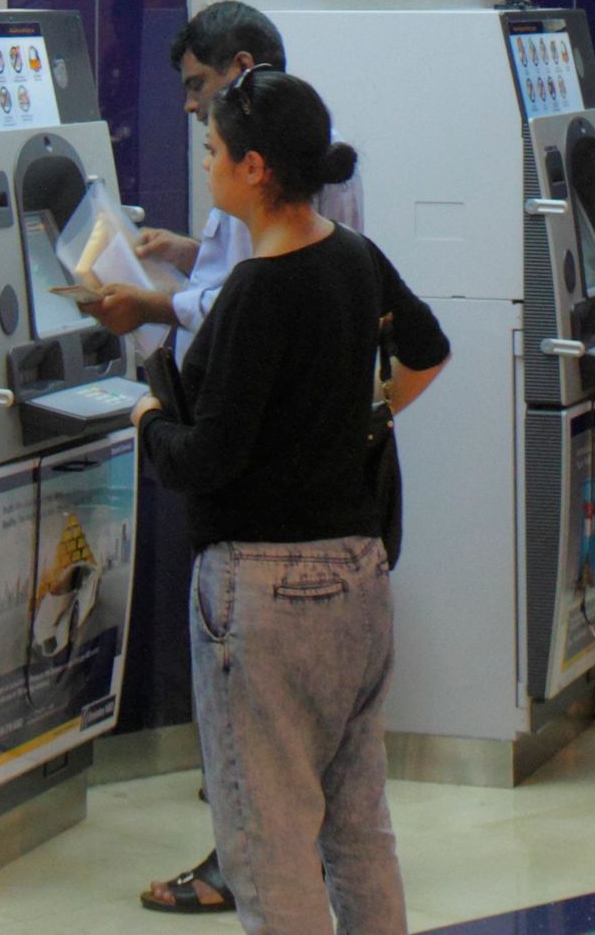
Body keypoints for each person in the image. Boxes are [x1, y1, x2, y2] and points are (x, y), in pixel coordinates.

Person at [133, 70, 447, 935]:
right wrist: (366, 419)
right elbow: (428, 345)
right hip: (359, 575)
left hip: (263, 594)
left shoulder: (255, 294)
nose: (205, 163)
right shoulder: (354, 254)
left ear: (256, 167)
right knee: (357, 831)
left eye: (213, 149)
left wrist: (149, 419)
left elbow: (207, 458)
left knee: (268, 852)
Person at [83, 1, 352, 916]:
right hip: (334, 512)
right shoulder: (317, 149)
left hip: (253, 492)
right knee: (319, 747)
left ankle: (246, 864)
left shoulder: (271, 164)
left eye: (200, 93)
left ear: (238, 69)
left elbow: (253, 294)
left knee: (250, 717)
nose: (195, 120)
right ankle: (272, 853)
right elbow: (262, 270)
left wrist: (148, 325)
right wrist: (186, 253)